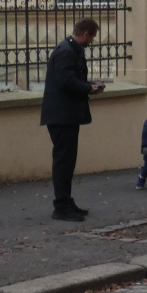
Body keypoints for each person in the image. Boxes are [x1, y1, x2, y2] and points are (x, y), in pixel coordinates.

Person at [39, 18, 104, 222]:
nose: (92, 41)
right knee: (63, 160)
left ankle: (66, 201)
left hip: (67, 115)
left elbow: (73, 79)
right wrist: (89, 88)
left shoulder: (72, 50)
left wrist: (90, 85)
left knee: (67, 160)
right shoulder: (66, 51)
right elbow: (67, 81)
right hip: (61, 116)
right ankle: (61, 206)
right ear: (85, 34)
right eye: (92, 36)